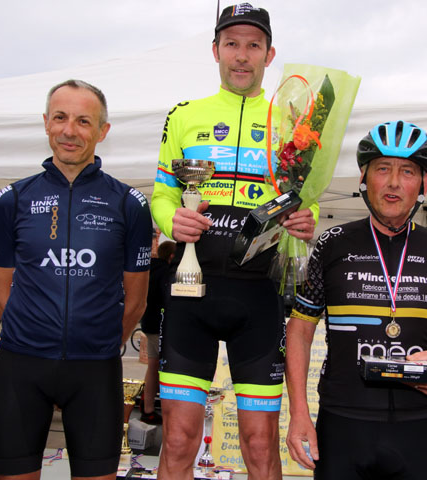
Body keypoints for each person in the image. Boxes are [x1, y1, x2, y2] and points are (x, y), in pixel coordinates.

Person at [150, 4, 317, 479]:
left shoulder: (291, 121)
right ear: (215, 51)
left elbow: (307, 199)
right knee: (179, 441)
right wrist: (172, 219)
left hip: (258, 296)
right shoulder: (185, 115)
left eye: (253, 45)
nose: (242, 56)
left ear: (269, 54)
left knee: (260, 445)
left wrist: (308, 220)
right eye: (232, 44)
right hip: (189, 293)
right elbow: (161, 195)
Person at [285, 120, 427, 480]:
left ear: (424, 184)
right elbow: (300, 331)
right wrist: (299, 413)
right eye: (383, 169)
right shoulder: (331, 245)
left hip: (419, 427)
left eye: (408, 171)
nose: (394, 182)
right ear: (365, 179)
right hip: (343, 424)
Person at [0, 79, 153, 480]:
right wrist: (32, 333)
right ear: (46, 123)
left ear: (103, 132)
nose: (69, 130)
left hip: (94, 370)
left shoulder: (128, 204)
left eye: (84, 121)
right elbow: (1, 290)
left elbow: (136, 299)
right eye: (60, 117)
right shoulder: (12, 199)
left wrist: (98, 339)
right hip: (21, 368)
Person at [140, 240, 176, 425]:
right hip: (160, 324)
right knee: (163, 369)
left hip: (149, 323)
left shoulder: (150, 269)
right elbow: (167, 297)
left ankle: (147, 409)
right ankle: (156, 411)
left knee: (153, 367)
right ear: (171, 256)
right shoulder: (165, 273)